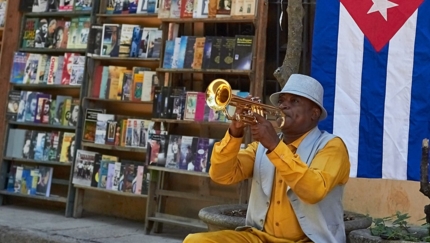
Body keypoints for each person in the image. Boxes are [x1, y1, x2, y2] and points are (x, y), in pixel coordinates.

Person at [183, 74, 351, 243]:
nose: (284, 105)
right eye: (282, 100)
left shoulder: (331, 146)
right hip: (259, 238)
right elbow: (221, 175)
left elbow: (313, 191)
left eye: (295, 101)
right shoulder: (261, 147)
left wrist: (275, 146)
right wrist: (235, 131)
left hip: (309, 240)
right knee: (194, 241)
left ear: (314, 113)